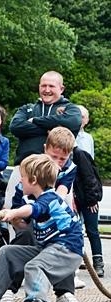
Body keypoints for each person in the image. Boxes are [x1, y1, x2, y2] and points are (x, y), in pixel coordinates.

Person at [0, 154, 83, 302]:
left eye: (23, 177)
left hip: (67, 250)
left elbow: (32, 209)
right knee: (7, 252)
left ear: (34, 180)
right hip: (48, 248)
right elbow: (24, 224)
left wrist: (14, 212)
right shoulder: (31, 199)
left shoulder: (50, 198)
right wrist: (15, 220)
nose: (20, 181)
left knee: (35, 265)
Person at [0, 127, 83, 302]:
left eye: (63, 159)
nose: (59, 163)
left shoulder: (69, 169)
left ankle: (64, 293)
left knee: (59, 245)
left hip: (54, 219)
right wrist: (15, 217)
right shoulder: (29, 168)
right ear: (45, 149)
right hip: (31, 218)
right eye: (54, 157)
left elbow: (58, 196)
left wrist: (40, 207)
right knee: (23, 240)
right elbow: (15, 204)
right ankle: (9, 289)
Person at [5, 71, 81, 211]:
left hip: (59, 174)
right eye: (43, 86)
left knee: (59, 211)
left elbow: (73, 122)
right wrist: (54, 128)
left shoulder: (71, 109)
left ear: (61, 89)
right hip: (23, 171)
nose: (46, 90)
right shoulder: (27, 108)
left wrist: (34, 121)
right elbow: (15, 127)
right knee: (12, 211)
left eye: (51, 86)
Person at [72, 106, 104, 277]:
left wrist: (92, 197)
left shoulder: (88, 139)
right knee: (74, 227)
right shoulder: (67, 136)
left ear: (87, 120)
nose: (79, 119)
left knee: (92, 228)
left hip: (86, 189)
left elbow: (89, 170)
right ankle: (77, 260)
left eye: (82, 116)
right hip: (72, 188)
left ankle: (98, 262)